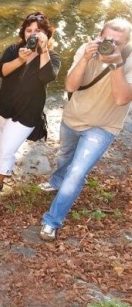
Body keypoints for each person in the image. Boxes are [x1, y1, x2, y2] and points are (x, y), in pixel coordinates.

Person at [39, 18, 132, 241]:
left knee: (77, 173)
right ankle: (56, 181)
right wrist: (85, 58)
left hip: (103, 126)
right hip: (73, 117)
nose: (112, 46)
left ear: (127, 43)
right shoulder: (86, 48)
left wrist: (117, 64)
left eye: (119, 43)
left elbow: (121, 99)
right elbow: (70, 86)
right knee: (64, 156)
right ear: (100, 35)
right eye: (108, 40)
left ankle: (52, 221)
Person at [0, 12, 61, 195]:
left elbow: (47, 77)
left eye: (38, 31)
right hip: (5, 105)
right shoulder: (14, 50)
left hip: (28, 111)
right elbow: (1, 72)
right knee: (1, 142)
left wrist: (42, 51)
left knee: (6, 148)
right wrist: (20, 59)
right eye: (29, 30)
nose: (33, 34)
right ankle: (3, 164)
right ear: (23, 33)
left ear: (46, 34)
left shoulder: (52, 56)